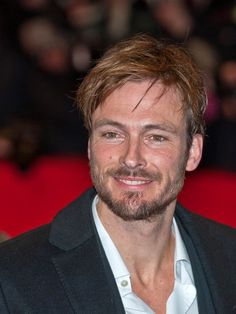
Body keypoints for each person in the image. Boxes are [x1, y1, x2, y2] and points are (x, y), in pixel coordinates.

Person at [0, 34, 235, 314]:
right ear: (90, 146)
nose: (131, 157)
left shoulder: (229, 258)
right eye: (112, 134)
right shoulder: (13, 278)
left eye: (156, 137)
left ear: (193, 151)